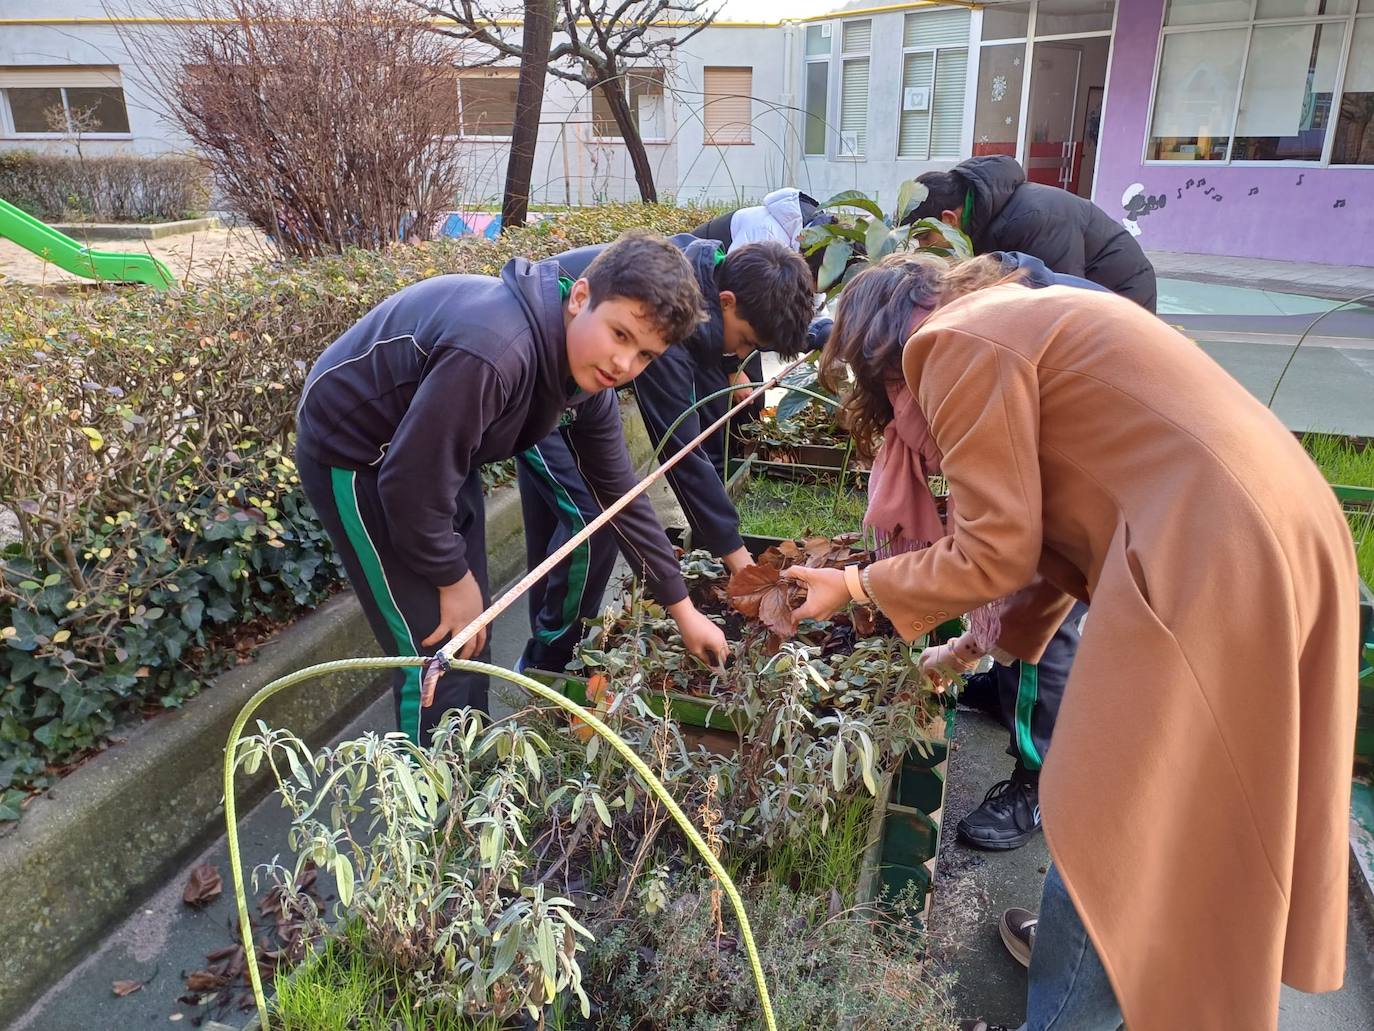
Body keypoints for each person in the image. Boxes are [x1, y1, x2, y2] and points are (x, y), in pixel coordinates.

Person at [783, 252, 1357, 1030]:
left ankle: (1073, 1001)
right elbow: (1050, 549)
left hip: (1213, 548)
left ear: (882, 352)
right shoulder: (1013, 322)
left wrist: (854, 587)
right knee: (1189, 805)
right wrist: (964, 652)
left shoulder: (949, 347)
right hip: (1276, 527)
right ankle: (1124, 972)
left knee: (1109, 818)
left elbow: (998, 550)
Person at [295, 231, 728, 744]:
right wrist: (451, 577)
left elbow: (619, 495)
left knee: (473, 631)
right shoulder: (495, 351)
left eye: (646, 356)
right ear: (581, 297)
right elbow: (410, 485)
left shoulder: (585, 379)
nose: (624, 365)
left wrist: (683, 610)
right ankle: (430, 810)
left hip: (430, 457)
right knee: (438, 653)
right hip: (361, 456)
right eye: (620, 335)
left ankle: (467, 772)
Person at [515, 236, 818, 674]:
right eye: (745, 340)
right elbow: (683, 452)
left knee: (568, 520)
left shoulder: (710, 270)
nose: (739, 356)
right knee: (591, 524)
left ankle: (544, 643)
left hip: (571, 390)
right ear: (727, 302)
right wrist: (739, 562)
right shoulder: (674, 325)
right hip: (535, 384)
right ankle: (550, 659)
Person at [903, 155, 1157, 312]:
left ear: (949, 219)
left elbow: (1060, 299)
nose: (922, 248)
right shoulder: (984, 215)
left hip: (1122, 293)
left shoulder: (1033, 220)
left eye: (924, 237)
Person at [692, 188, 834, 422]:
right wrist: (733, 370)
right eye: (819, 286)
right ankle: (724, 454)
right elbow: (733, 301)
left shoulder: (817, 248)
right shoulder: (766, 239)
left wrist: (828, 332)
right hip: (708, 307)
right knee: (723, 397)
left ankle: (740, 446)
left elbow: (814, 308)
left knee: (754, 398)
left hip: (739, 315)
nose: (819, 293)